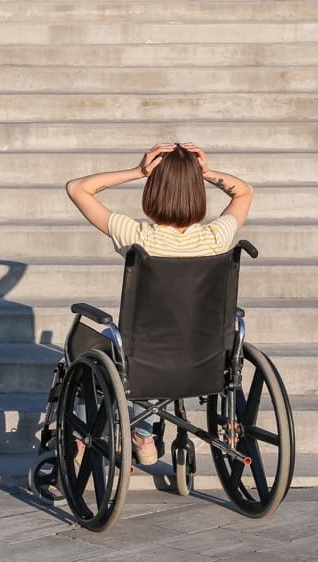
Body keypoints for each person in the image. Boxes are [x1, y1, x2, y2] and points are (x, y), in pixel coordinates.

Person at [65, 142, 254, 465]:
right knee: (151, 344)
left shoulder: (135, 235)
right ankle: (145, 437)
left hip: (146, 352)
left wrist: (137, 171)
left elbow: (78, 188)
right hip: (203, 354)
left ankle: (98, 436)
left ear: (152, 192)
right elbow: (244, 193)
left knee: (86, 350)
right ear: (199, 193)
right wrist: (205, 172)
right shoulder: (215, 237)